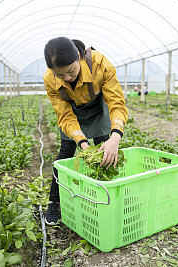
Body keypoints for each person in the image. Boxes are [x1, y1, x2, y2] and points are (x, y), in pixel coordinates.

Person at [43, 37, 128, 225]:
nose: (67, 78)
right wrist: (82, 142)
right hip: (72, 113)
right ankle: (54, 202)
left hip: (98, 109)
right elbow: (65, 115)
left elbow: (116, 103)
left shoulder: (101, 64)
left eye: (70, 71)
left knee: (104, 153)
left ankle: (106, 200)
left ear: (79, 57)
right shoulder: (49, 79)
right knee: (65, 155)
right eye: (60, 75)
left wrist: (115, 137)